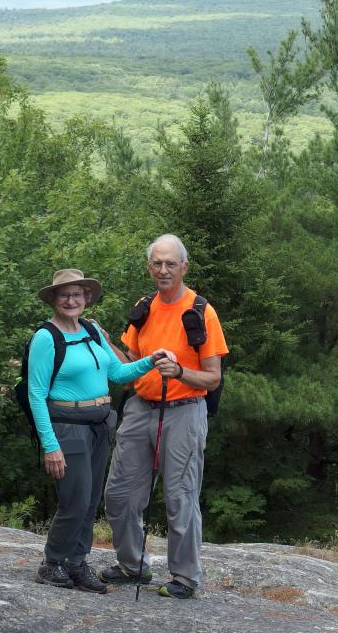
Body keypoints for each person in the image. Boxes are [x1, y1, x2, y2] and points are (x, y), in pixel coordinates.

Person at [29, 268, 174, 593]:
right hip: (66, 428)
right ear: (53, 299)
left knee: (90, 500)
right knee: (75, 502)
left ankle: (77, 563)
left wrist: (152, 360)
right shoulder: (46, 337)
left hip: (98, 428)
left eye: (77, 294)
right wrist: (50, 446)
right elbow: (35, 395)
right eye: (64, 294)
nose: (71, 300)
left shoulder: (92, 330)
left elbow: (120, 373)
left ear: (87, 298)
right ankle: (51, 564)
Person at [102, 234, 228, 599]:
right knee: (120, 493)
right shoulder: (143, 307)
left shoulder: (201, 311)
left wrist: (179, 373)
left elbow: (213, 376)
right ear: (149, 267)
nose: (163, 269)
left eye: (171, 263)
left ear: (184, 267)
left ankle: (185, 578)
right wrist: (106, 343)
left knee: (181, 496)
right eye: (157, 263)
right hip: (141, 408)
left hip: (185, 410)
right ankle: (132, 566)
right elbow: (130, 366)